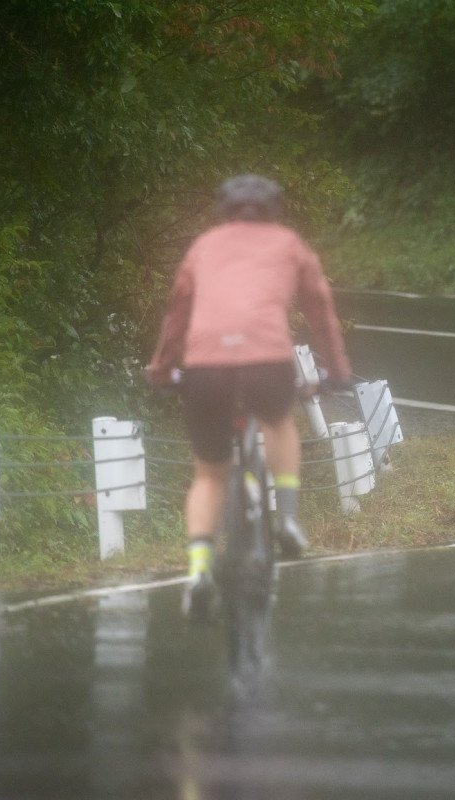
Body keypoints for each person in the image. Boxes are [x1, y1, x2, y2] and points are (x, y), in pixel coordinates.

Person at [146, 174, 352, 620]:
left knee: (209, 476)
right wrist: (337, 371)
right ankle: (288, 518)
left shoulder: (203, 246)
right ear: (274, 210)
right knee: (279, 422)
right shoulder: (290, 244)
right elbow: (321, 309)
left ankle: (199, 570)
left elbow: (178, 309)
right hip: (267, 362)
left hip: (205, 367)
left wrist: (162, 369)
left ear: (224, 211)